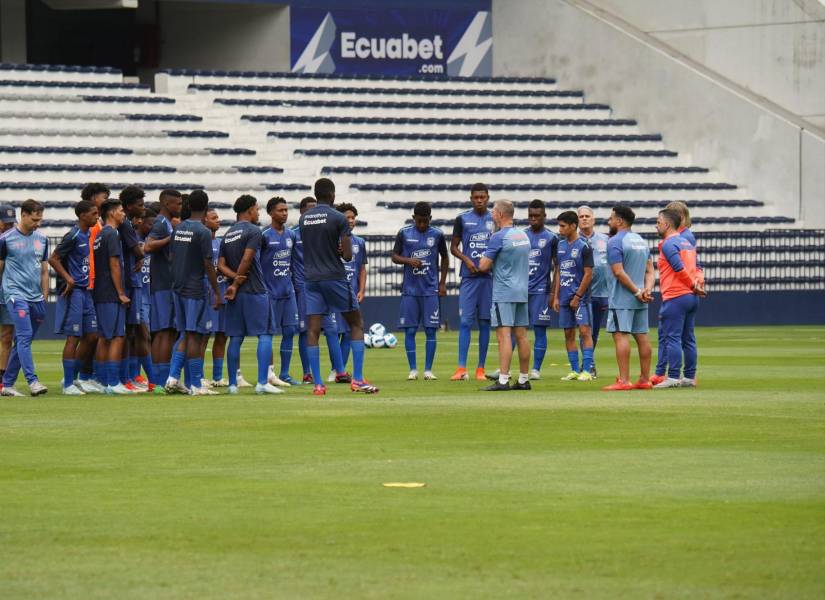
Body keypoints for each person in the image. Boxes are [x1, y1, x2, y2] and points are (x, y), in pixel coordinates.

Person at [299, 178, 377, 395]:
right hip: (334, 277)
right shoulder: (338, 218)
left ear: (316, 195)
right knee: (356, 324)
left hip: (311, 279)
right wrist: (339, 250)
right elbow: (348, 255)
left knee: (313, 330)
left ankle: (318, 384)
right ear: (332, 195)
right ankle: (358, 380)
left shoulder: (304, 219)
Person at [218, 195, 283, 395]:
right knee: (265, 334)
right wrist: (238, 281)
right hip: (254, 289)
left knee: (235, 337)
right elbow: (247, 259)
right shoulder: (254, 231)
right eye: (256, 209)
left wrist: (234, 280)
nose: (258, 212)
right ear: (248, 210)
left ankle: (232, 385)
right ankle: (262, 382)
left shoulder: (227, 234)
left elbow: (220, 265)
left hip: (235, 294)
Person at [166, 189, 222, 396]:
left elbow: (172, 257)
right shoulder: (203, 232)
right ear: (206, 208)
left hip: (177, 288)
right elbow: (208, 263)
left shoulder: (179, 228)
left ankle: (173, 378)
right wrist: (217, 292)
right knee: (195, 335)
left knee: (185, 333)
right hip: (195, 289)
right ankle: (196, 385)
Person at [477, 200, 532, 391]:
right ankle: (524, 379)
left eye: (493, 211)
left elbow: (483, 266)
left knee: (504, 335)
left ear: (500, 214)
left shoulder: (498, 237)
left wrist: (482, 259)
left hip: (504, 291)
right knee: (522, 335)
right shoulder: (523, 235)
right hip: (522, 290)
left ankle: (502, 379)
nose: (491, 214)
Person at [391, 201, 449, 381]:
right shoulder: (404, 233)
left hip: (430, 290)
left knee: (431, 331)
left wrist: (442, 283)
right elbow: (394, 256)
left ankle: (428, 370)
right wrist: (409, 261)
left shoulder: (438, 234)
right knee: (410, 331)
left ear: (430, 218)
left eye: (425, 221)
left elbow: (445, 258)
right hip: (410, 290)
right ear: (413, 218)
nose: (422, 224)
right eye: (419, 221)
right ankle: (413, 369)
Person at [48, 200, 99, 395]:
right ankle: (68, 383)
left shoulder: (87, 234)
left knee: (92, 336)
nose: (97, 217)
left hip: (87, 292)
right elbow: (53, 258)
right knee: (74, 337)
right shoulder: (74, 234)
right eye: (94, 214)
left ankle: (72, 378)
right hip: (76, 292)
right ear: (83, 215)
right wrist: (68, 279)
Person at [602, 205, 655, 391]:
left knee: (620, 335)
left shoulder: (615, 241)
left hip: (622, 298)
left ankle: (624, 381)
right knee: (642, 336)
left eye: (611, 218)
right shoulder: (641, 241)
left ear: (620, 221)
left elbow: (618, 272)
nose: (609, 221)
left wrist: (635, 291)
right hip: (641, 298)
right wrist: (646, 290)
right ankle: (645, 379)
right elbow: (650, 271)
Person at [0, 200, 49, 396]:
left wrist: (44, 296)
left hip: (36, 297)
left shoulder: (42, 240)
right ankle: (33, 381)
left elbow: (45, 271)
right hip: (14, 294)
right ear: (24, 215)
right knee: (24, 336)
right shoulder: (6, 239)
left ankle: (8, 383)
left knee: (23, 340)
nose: (37, 223)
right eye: (34, 219)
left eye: (40, 220)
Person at [652, 200, 704, 385]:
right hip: (691, 297)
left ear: (667, 224)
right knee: (688, 338)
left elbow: (678, 269)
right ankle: (689, 377)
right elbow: (697, 266)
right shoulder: (687, 242)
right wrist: (697, 284)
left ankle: (673, 376)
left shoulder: (668, 243)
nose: (656, 225)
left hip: (676, 295)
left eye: (658, 222)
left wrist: (692, 285)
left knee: (672, 337)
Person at [450, 182, 493, 382]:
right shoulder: (462, 219)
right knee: (466, 321)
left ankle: (480, 369)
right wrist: (467, 260)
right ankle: (461, 368)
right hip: (469, 277)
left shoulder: (495, 219)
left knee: (485, 323)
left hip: (488, 278)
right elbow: (453, 247)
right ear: (471, 198)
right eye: (475, 197)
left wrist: (489, 264)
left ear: (488, 197)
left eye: (482, 197)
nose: (479, 200)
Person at [92, 199, 134, 394]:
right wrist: (121, 293)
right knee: (117, 337)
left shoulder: (101, 235)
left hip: (101, 292)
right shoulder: (112, 234)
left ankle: (101, 381)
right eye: (120, 210)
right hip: (111, 293)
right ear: (111, 213)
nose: (123, 214)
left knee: (104, 337)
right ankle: (113, 382)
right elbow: (114, 264)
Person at [144, 189, 182, 390]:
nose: (180, 207)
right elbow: (148, 246)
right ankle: (161, 380)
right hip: (164, 285)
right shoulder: (161, 223)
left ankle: (158, 381)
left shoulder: (166, 223)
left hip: (163, 284)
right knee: (165, 332)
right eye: (177, 204)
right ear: (167, 204)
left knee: (163, 332)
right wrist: (173, 236)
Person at [552, 211, 595, 382]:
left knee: (585, 331)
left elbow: (588, 274)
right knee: (568, 333)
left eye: (563, 226)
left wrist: (578, 295)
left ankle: (587, 371)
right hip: (563, 297)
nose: (560, 229)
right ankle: (575, 370)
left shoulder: (584, 246)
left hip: (580, 298)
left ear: (573, 226)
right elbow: (559, 272)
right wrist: (555, 296)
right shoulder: (560, 246)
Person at [261, 196, 298, 386]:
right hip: (270, 293)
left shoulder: (291, 235)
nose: (284, 213)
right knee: (269, 333)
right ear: (270, 213)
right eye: (280, 210)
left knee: (290, 331)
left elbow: (293, 264)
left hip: (288, 292)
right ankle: (269, 373)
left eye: (286, 210)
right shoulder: (264, 236)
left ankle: (284, 373)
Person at [329, 202, 367, 379]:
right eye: (347, 218)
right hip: (335, 291)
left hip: (351, 292)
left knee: (348, 332)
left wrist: (362, 290)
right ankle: (335, 369)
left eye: (353, 217)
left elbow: (361, 269)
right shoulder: (332, 240)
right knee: (335, 332)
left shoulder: (359, 242)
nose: (351, 220)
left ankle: (340, 370)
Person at [524, 199, 557, 380]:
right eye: (530, 216)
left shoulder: (552, 238)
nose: (533, 219)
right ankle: (504, 367)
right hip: (520, 291)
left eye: (537, 216)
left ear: (544, 216)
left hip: (541, 291)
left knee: (539, 330)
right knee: (516, 329)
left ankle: (536, 369)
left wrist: (553, 292)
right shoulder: (521, 236)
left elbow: (557, 266)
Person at [117, 185, 145, 391]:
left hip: (129, 281)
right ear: (128, 206)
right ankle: (125, 377)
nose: (143, 208)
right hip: (129, 283)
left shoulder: (126, 224)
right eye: (139, 204)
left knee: (131, 332)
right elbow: (138, 250)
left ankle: (129, 376)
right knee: (128, 332)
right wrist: (141, 255)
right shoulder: (125, 225)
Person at [577, 205, 610, 377]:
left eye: (587, 216)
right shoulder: (573, 240)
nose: (584, 219)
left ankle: (587, 363)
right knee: (585, 330)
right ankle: (589, 365)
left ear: (593, 219)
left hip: (602, 293)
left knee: (594, 331)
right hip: (582, 294)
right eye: (581, 216)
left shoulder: (606, 239)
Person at [291, 196, 317, 383]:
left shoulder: (321, 232)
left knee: (324, 330)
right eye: (309, 209)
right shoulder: (293, 234)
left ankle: (335, 370)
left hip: (320, 286)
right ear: (301, 211)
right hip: (301, 288)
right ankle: (307, 371)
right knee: (303, 330)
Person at [202, 207, 228, 387]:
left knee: (222, 334)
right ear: (204, 221)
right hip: (206, 294)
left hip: (222, 292)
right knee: (203, 336)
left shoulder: (221, 243)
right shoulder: (201, 242)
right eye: (214, 218)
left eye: (218, 217)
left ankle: (218, 377)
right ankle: (201, 376)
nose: (218, 220)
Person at [0, 203, 19, 391]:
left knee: (7, 337)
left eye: (11, 222)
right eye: (4, 222)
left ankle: (2, 378)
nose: (8, 226)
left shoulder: (13, 240)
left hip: (7, 293)